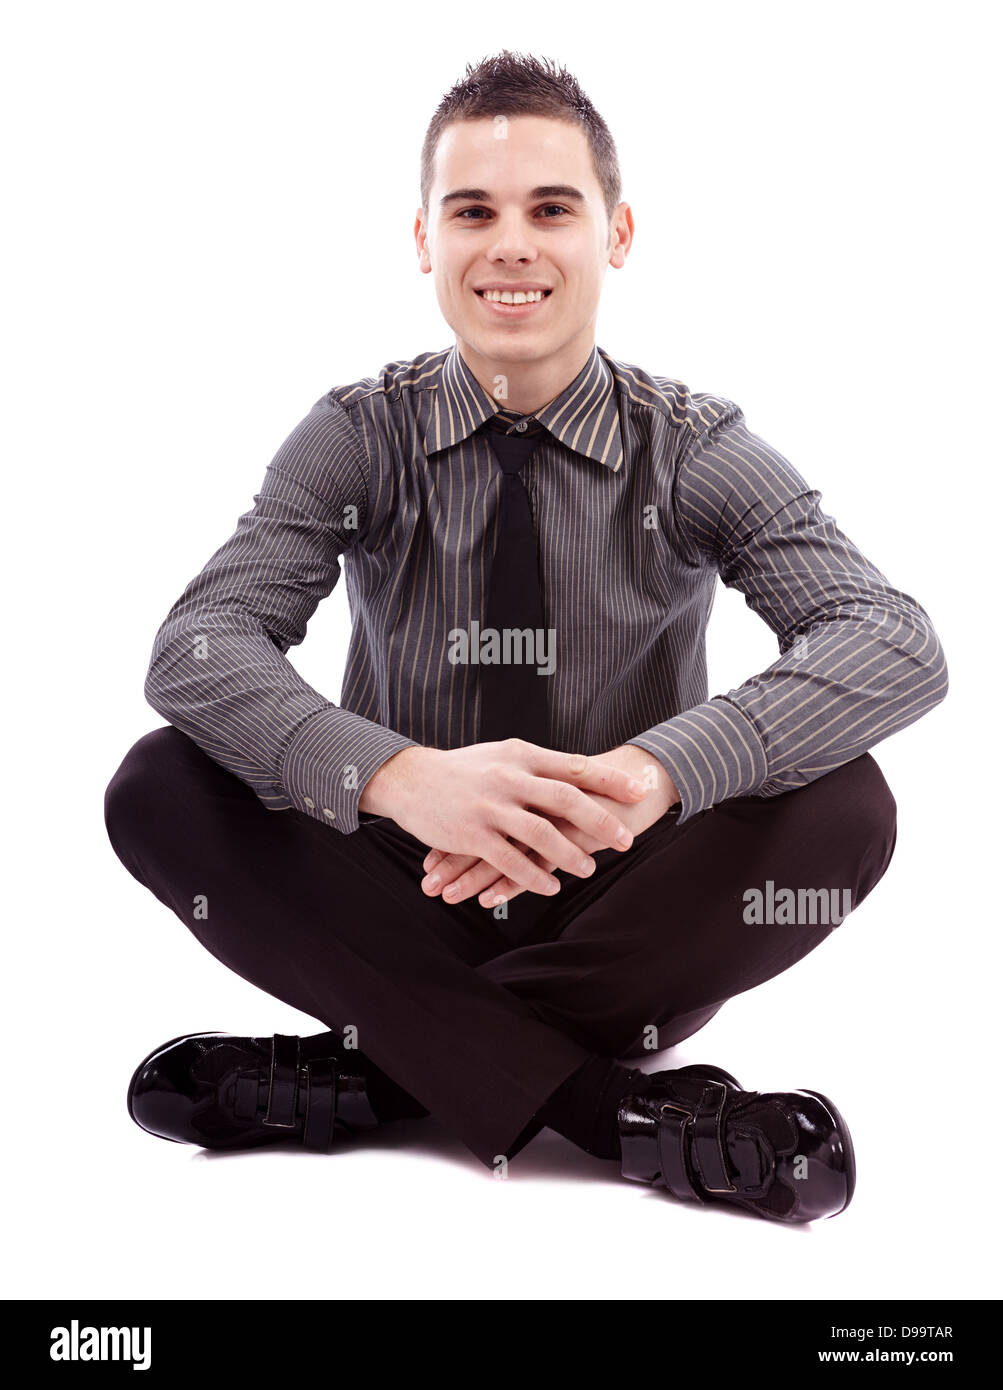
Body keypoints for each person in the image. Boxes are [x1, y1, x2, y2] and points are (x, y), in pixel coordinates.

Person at [103, 50, 947, 1224]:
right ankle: (617, 1114)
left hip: (625, 906)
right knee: (161, 785)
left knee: (846, 805)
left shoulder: (692, 446)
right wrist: (399, 779)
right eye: (473, 211)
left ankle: (379, 1072)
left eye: (551, 208)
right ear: (423, 239)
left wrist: (653, 775)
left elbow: (890, 639)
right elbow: (197, 646)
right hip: (403, 880)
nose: (512, 243)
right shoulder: (357, 434)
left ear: (616, 233)